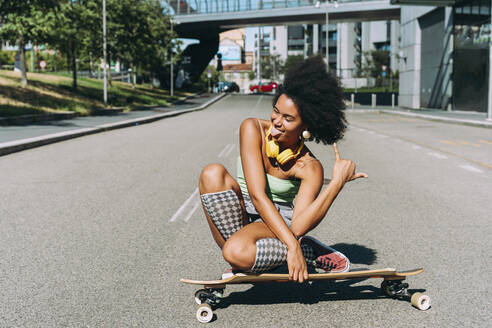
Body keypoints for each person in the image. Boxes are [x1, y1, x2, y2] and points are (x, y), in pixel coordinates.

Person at [198, 56, 368, 283]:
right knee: (212, 173)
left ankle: (303, 250)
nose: (277, 121)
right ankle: (276, 253)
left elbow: (299, 224)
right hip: (247, 208)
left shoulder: (309, 166)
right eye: (276, 111)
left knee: (236, 252)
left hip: (278, 220)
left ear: (306, 126)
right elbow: (257, 195)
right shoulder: (253, 128)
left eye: (288, 118)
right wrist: (291, 246)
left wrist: (336, 183)